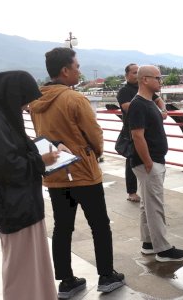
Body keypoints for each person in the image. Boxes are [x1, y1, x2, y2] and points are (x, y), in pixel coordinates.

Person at [29, 47, 125, 298]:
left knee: (62, 227)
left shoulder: (35, 101)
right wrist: (96, 152)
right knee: (100, 225)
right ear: (65, 70)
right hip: (82, 171)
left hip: (54, 171)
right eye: (77, 66)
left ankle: (67, 281)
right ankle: (106, 275)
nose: (79, 70)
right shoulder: (75, 99)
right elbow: (94, 134)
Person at [0, 71, 60, 300]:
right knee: (21, 267)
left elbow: (12, 152)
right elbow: (4, 166)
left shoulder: (2, 116)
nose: (26, 106)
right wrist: (41, 160)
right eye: (24, 99)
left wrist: (43, 150)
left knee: (33, 262)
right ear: (13, 96)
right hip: (13, 206)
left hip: (24, 204)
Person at [127, 65, 183, 261]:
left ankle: (148, 243)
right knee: (155, 205)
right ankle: (163, 249)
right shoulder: (138, 104)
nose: (160, 82)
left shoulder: (148, 102)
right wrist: (148, 162)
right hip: (149, 162)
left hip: (153, 160)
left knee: (147, 205)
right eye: (157, 78)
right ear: (145, 80)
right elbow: (137, 136)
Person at [116, 63, 167, 202]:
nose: (135, 74)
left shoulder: (147, 93)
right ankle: (131, 191)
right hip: (133, 134)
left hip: (152, 147)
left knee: (148, 203)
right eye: (133, 72)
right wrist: (149, 163)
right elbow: (128, 108)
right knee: (132, 162)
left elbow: (159, 100)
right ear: (127, 75)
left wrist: (162, 110)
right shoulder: (127, 92)